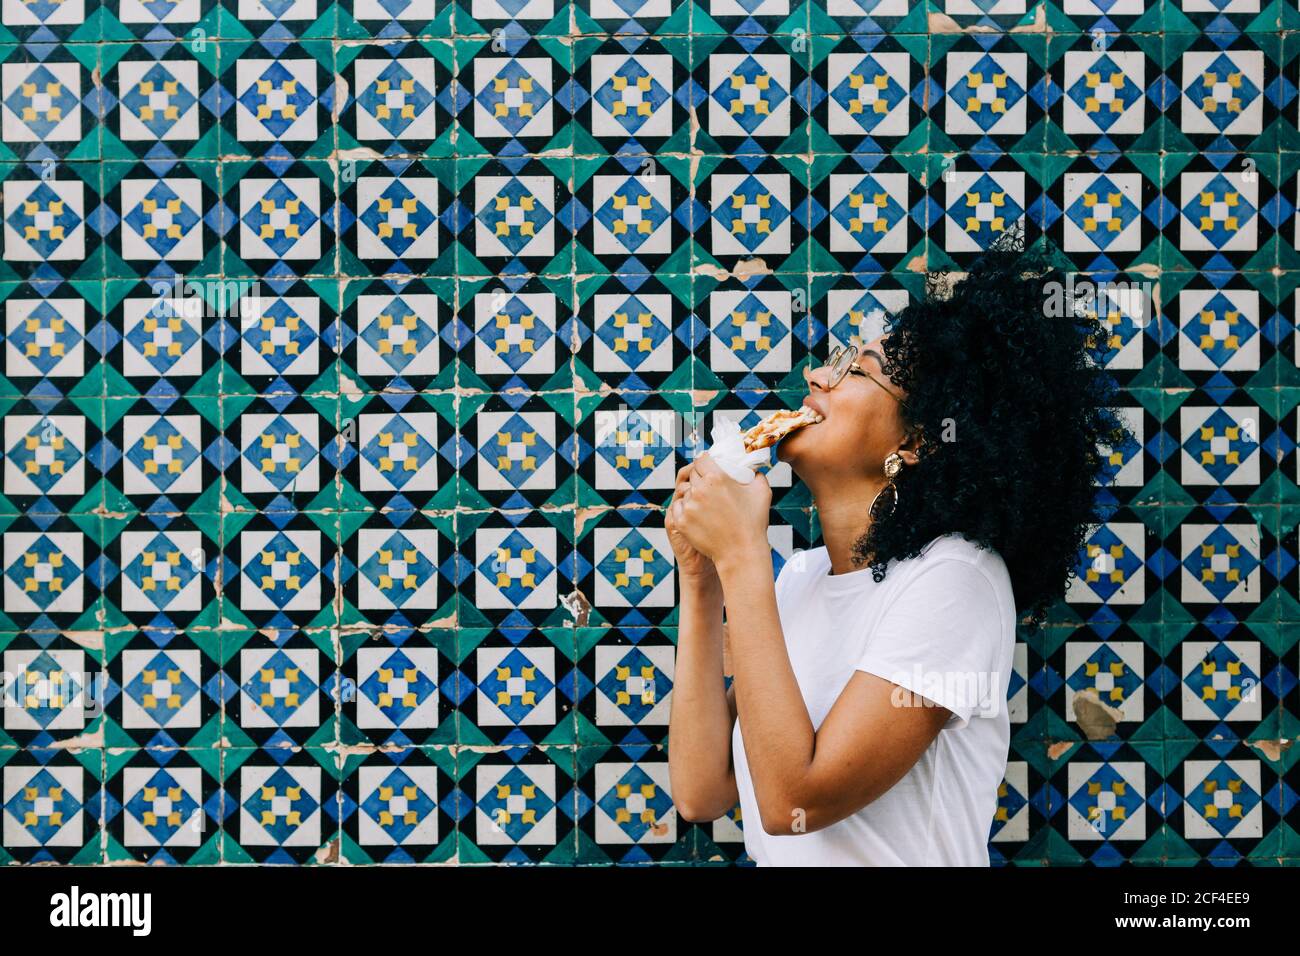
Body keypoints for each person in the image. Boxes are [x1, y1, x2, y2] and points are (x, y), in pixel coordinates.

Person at [664, 239, 1134, 865]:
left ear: (916, 442)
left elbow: (792, 801)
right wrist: (702, 583)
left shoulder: (956, 580)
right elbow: (703, 791)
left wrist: (744, 555)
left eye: (853, 371)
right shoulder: (801, 579)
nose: (814, 377)